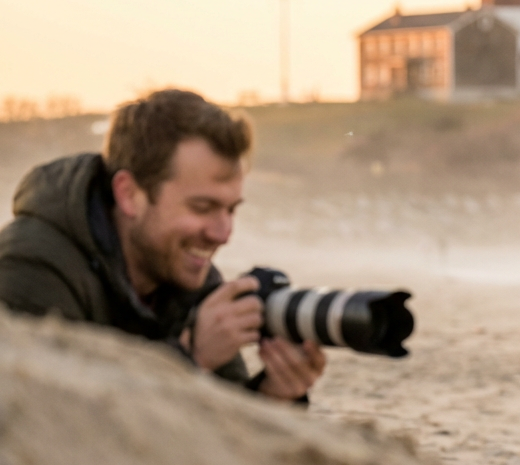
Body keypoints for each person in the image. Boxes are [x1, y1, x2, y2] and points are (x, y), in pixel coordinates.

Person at [0, 89, 325, 401]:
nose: (223, 233)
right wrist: (189, 357)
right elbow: (49, 423)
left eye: (231, 209)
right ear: (128, 194)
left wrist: (274, 395)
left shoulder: (188, 276)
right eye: (202, 207)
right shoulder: (32, 266)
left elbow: (221, 430)